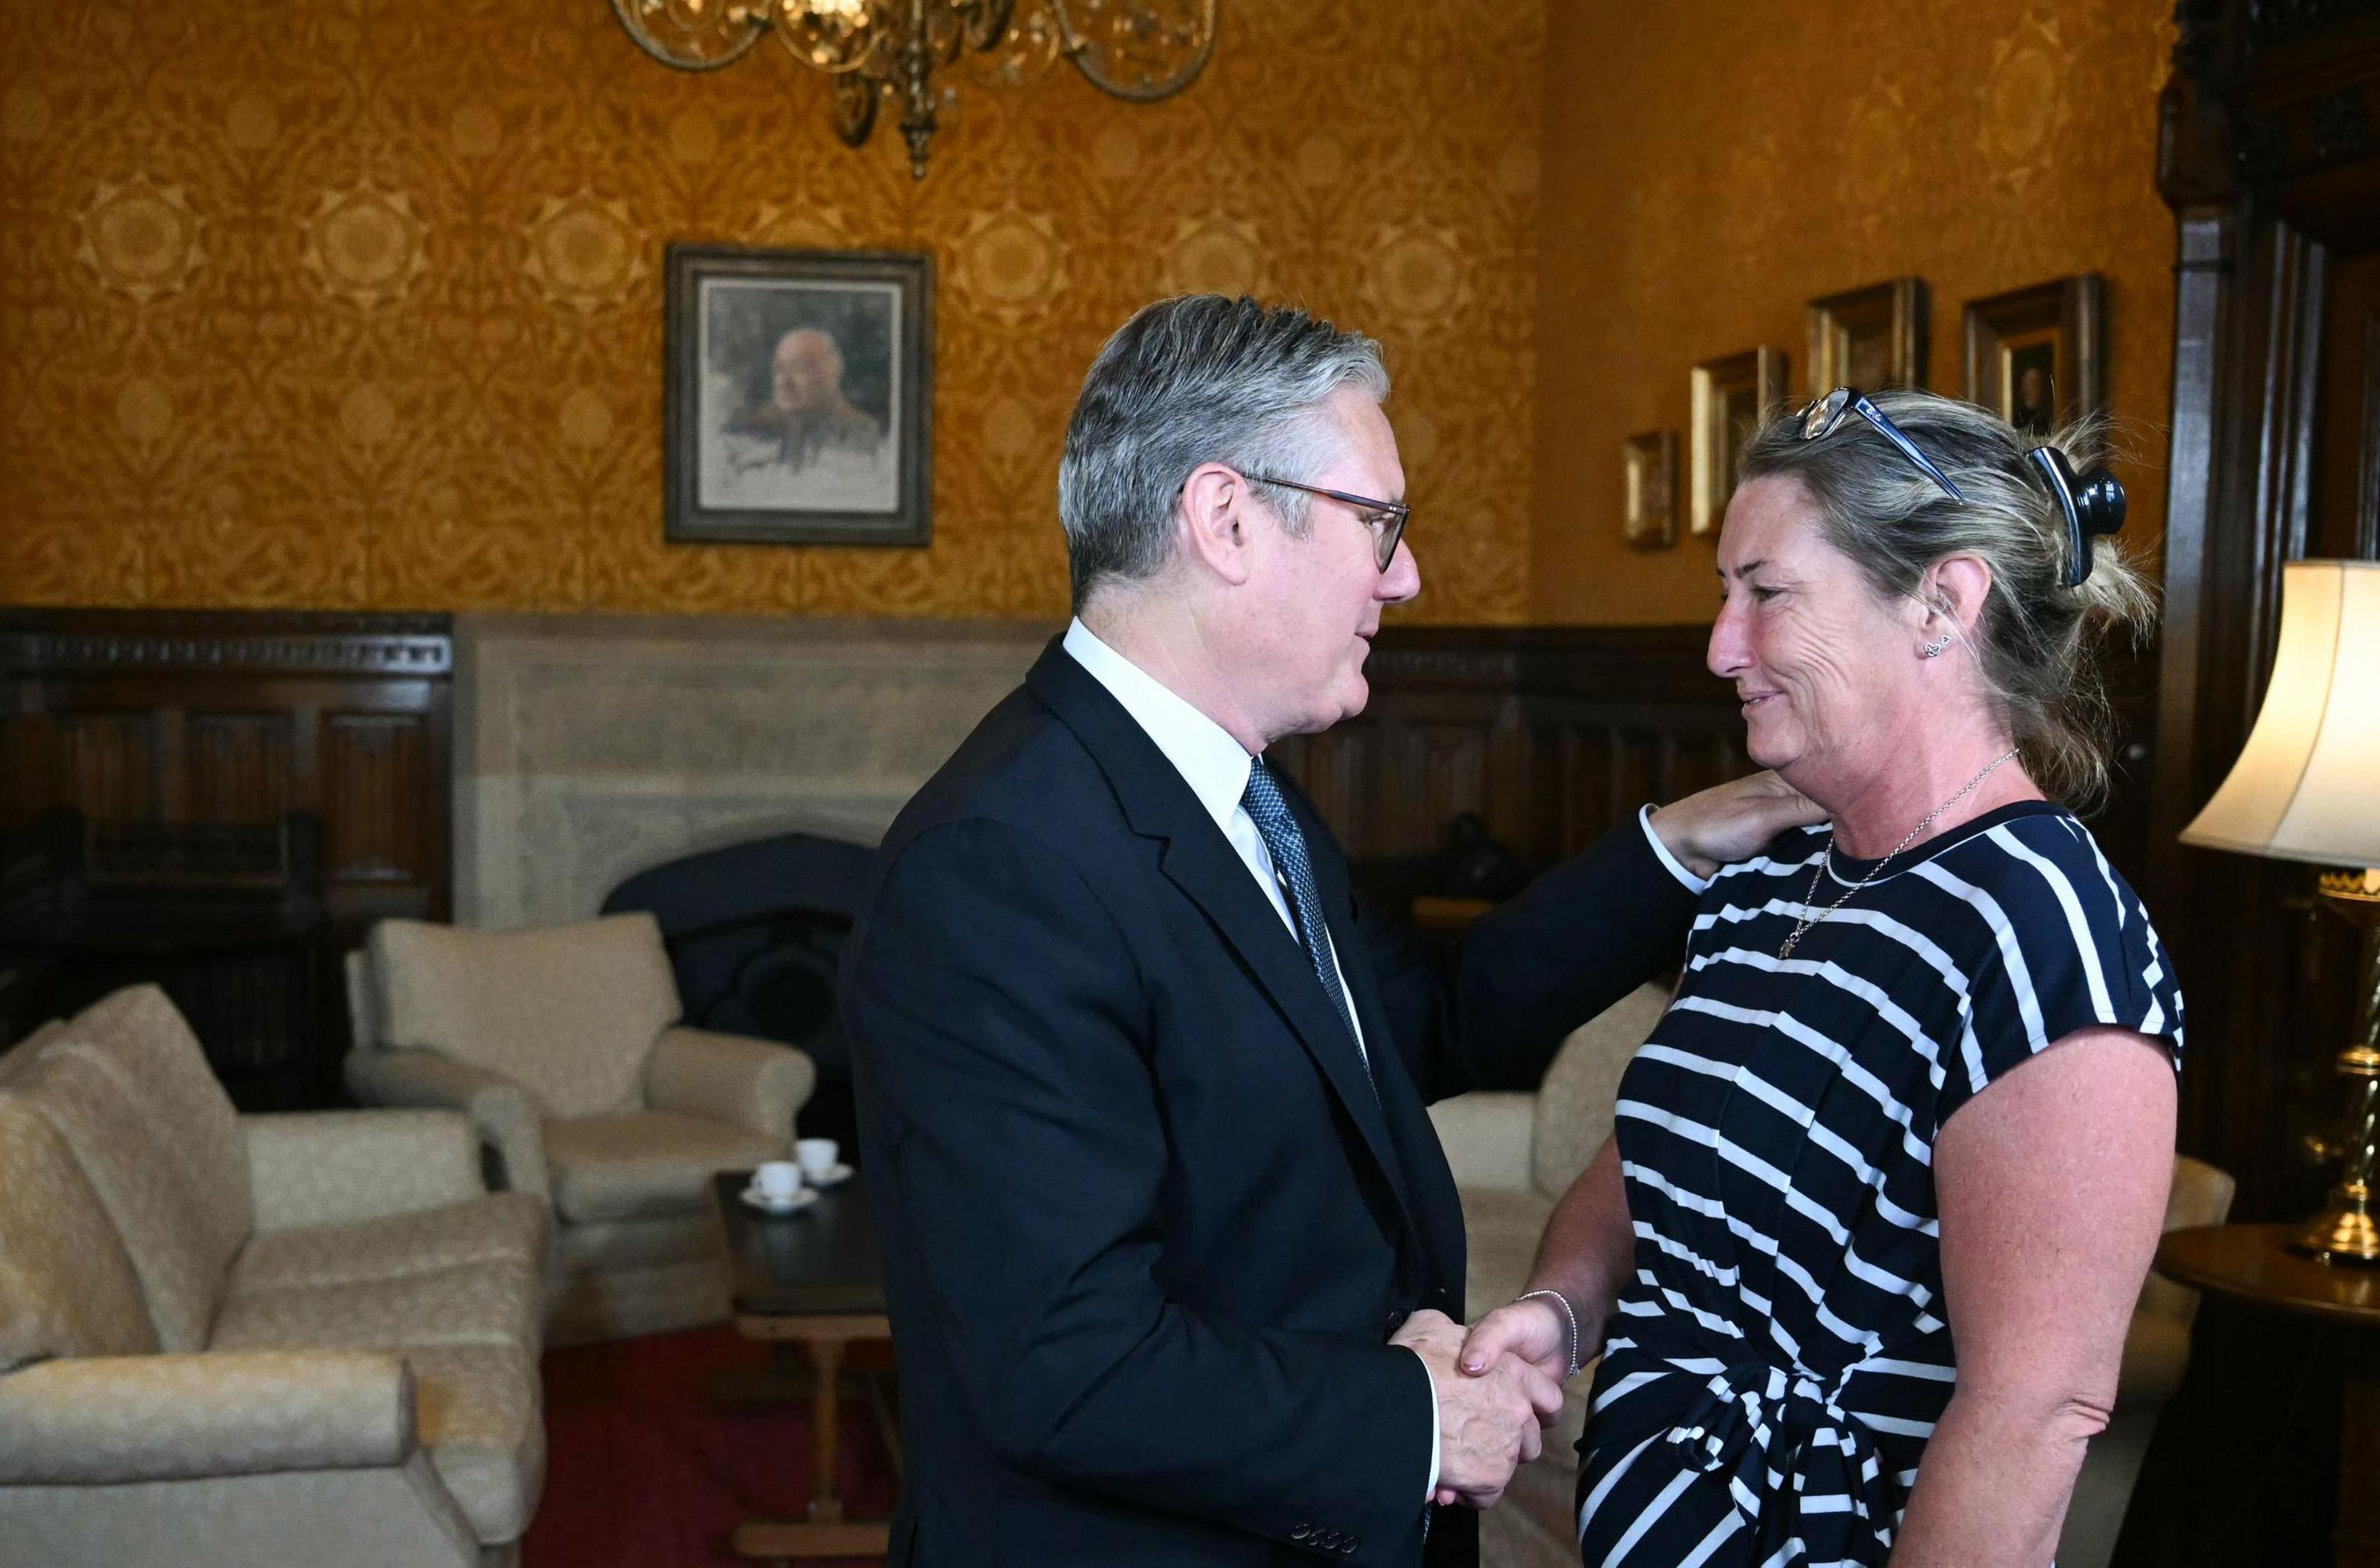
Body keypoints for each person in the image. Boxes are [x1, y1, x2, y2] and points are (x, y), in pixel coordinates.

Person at [838, 295, 1817, 1567]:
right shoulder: (998, 865)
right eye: (1379, 523)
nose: (1404, 577)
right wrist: (1412, 1421)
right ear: (1226, 519)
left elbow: (1417, 1025)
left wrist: (1681, 842)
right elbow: (1061, 1363)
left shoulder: (1238, 794)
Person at [1456, 387, 2183, 1567]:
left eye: (1767, 593)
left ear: (1942, 603)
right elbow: (1659, 1158)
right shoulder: (1775, 875)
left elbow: (2032, 1415)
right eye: (1724, 595)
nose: (1720, 647)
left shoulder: (2042, 930)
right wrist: (1561, 1308)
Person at [721, 324, 884, 475]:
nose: (783, 382)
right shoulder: (751, 432)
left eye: (798, 368)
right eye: (779, 369)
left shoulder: (862, 436)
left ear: (834, 370)